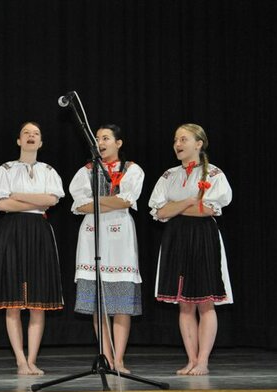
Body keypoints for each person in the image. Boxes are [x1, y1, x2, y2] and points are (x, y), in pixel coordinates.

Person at [149, 123, 233, 376]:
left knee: (206, 302)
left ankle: (204, 361)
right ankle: (191, 359)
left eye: (184, 139)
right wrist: (187, 201)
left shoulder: (214, 174)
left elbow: (207, 209)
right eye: (176, 139)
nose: (178, 144)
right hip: (176, 237)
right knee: (184, 303)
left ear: (198, 144)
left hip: (202, 236)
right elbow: (159, 211)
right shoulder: (169, 175)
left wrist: (176, 206)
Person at [0, 122, 65, 375]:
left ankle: (32, 358)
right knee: (13, 301)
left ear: (41, 142)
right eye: (26, 133)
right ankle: (20, 360)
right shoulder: (5, 169)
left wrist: (18, 196)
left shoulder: (49, 170)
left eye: (36, 134)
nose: (31, 136)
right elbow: (2, 205)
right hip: (12, 232)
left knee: (37, 302)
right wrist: (35, 200)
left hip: (39, 232)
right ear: (19, 140)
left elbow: (51, 200)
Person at [69, 124, 144, 373]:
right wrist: (106, 202)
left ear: (118, 143)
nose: (100, 142)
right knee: (98, 304)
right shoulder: (86, 170)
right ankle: (106, 357)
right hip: (92, 235)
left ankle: (120, 360)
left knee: (121, 303)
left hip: (120, 235)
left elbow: (128, 199)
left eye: (105, 138)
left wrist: (96, 201)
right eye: (97, 138)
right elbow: (79, 205)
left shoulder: (132, 169)